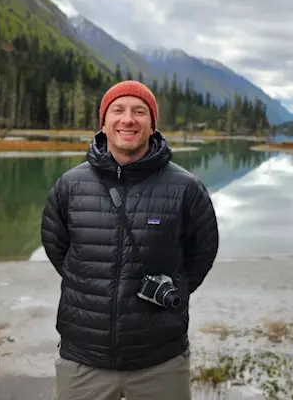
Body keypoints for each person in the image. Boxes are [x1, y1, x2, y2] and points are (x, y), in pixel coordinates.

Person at [41, 80, 219, 400]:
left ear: (152, 125)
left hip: (160, 360)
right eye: (118, 110)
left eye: (139, 112)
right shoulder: (69, 185)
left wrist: (173, 288)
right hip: (83, 358)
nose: (128, 119)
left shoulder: (187, 188)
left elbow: (202, 252)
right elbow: (57, 248)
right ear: (104, 123)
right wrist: (89, 284)